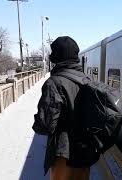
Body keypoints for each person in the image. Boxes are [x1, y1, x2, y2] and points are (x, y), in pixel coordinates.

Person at [33, 36, 90, 180]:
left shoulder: (54, 83)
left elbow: (45, 125)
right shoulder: (87, 80)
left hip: (63, 153)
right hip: (86, 150)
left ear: (56, 57)